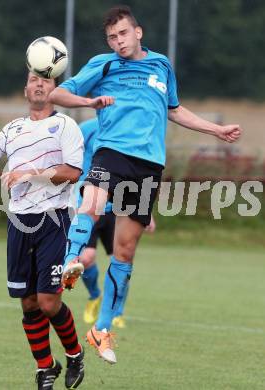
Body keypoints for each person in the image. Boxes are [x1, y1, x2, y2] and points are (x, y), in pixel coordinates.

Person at [49, 5, 242, 365]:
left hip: (149, 165)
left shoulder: (161, 65)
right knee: (90, 204)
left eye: (122, 34)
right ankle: (69, 261)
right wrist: (90, 101)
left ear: (138, 32)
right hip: (112, 152)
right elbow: (58, 95)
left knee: (124, 252)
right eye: (111, 37)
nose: (118, 41)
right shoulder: (103, 65)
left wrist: (216, 130)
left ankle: (101, 329)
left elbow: (175, 109)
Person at [0, 72, 85, 390]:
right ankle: (45, 368)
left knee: (48, 302)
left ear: (56, 90)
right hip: (19, 223)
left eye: (46, 80)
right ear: (25, 89)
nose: (39, 84)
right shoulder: (14, 129)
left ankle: (75, 354)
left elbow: (72, 172)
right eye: (33, 79)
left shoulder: (66, 126)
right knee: (27, 302)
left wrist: (31, 173)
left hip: (54, 220)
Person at [78, 118, 157, 329]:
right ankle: (95, 295)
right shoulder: (85, 129)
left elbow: (139, 172)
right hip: (90, 203)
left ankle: (117, 312)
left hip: (118, 206)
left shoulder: (129, 130)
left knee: (121, 260)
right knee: (86, 258)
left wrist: (146, 211)